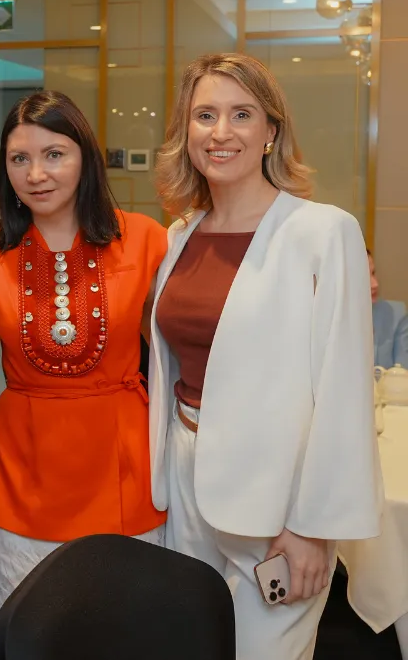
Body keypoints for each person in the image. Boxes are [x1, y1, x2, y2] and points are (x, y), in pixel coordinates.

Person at [150, 53, 382, 659]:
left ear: (270, 131)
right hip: (184, 479)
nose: (220, 132)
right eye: (205, 115)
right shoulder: (180, 235)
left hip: (280, 496)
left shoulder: (323, 232)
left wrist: (312, 526)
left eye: (242, 114)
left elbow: (344, 392)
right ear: (185, 130)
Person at [0, 91, 167, 633]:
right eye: (19, 158)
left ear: (86, 156)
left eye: (54, 154)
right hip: (21, 472)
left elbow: (179, 353)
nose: (36, 174)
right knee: (25, 630)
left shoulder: (147, 239)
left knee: (124, 633)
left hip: (124, 468)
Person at [370, 250, 408, 368]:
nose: (375, 284)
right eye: (365, 276)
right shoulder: (329, 322)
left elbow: (402, 372)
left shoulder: (396, 315)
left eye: (373, 273)